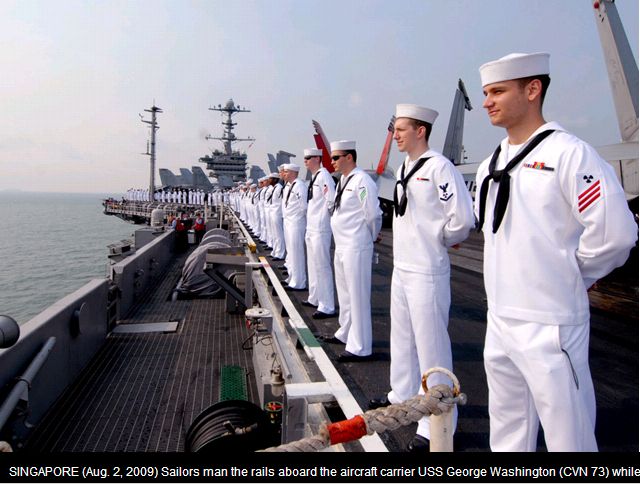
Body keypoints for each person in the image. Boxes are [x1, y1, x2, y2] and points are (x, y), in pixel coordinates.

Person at [475, 52, 637, 452]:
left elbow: (616, 234)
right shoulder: (490, 164)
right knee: (507, 431)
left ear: (532, 90)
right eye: (485, 92)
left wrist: (573, 274)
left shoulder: (569, 154)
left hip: (551, 322)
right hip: (501, 317)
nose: (487, 102)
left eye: (497, 91)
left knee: (569, 438)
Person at [369, 104, 475, 451]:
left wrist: (438, 240)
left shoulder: (439, 167)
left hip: (427, 269)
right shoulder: (405, 167)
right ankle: (401, 398)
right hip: (403, 266)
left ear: (420, 131)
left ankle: (437, 423)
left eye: (401, 129)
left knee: (432, 348)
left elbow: (462, 219)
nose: (396, 135)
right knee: (402, 339)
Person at [329, 140, 382, 362]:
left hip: (356, 245)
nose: (332, 161)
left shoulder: (361, 181)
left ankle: (360, 346)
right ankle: (345, 333)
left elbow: (372, 214)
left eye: (336, 157)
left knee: (358, 296)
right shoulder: (343, 180)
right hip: (342, 245)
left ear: (349, 157)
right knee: (345, 294)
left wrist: (371, 237)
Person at [303, 148, 337, 319]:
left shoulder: (324, 176)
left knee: (322, 267)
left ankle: (327, 305)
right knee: (312, 264)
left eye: (308, 158)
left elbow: (331, 200)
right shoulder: (315, 177)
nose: (305, 161)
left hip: (320, 228)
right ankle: (315, 297)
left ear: (317, 158)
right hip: (311, 227)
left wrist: (328, 222)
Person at [281, 163, 308, 290]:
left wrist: (299, 219)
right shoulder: (290, 185)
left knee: (296, 253)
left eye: (286, 172)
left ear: (293, 173)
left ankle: (298, 282)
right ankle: (291, 277)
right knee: (291, 252)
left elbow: (303, 207)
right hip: (288, 221)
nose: (284, 174)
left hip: (296, 222)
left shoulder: (299, 186)